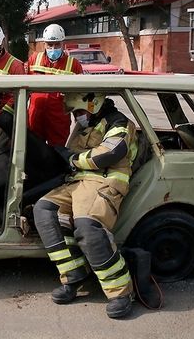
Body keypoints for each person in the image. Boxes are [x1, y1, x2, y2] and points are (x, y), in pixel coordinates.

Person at [32, 92, 138, 319]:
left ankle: (121, 293)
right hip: (77, 181)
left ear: (94, 104)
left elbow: (108, 154)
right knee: (44, 209)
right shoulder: (87, 123)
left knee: (87, 226)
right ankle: (74, 274)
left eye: (79, 112)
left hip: (103, 181)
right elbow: (72, 152)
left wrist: (71, 159)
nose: (77, 117)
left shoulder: (119, 123)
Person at [26, 24, 83, 146]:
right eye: (50, 44)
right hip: (35, 114)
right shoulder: (34, 59)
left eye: (57, 44)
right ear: (44, 44)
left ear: (63, 43)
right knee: (34, 149)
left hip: (59, 117)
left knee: (58, 152)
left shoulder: (73, 65)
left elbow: (80, 95)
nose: (53, 48)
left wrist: (81, 117)